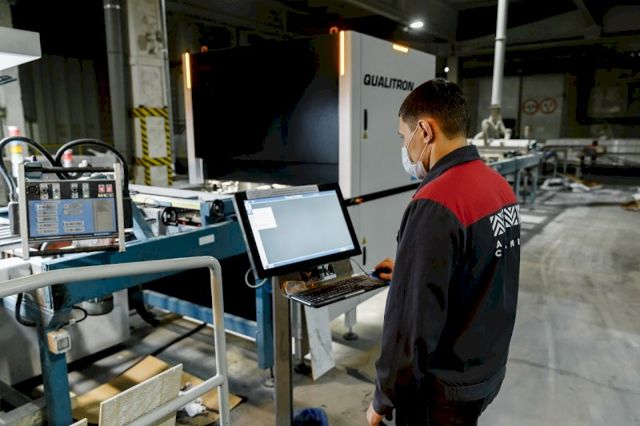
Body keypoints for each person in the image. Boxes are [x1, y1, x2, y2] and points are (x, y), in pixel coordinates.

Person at [366, 78, 521, 426]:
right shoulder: (498, 186)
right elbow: (479, 270)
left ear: (424, 131)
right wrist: (411, 271)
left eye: (403, 136)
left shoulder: (436, 202)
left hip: (442, 391)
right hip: (484, 372)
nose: (405, 147)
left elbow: (411, 328)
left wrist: (384, 396)